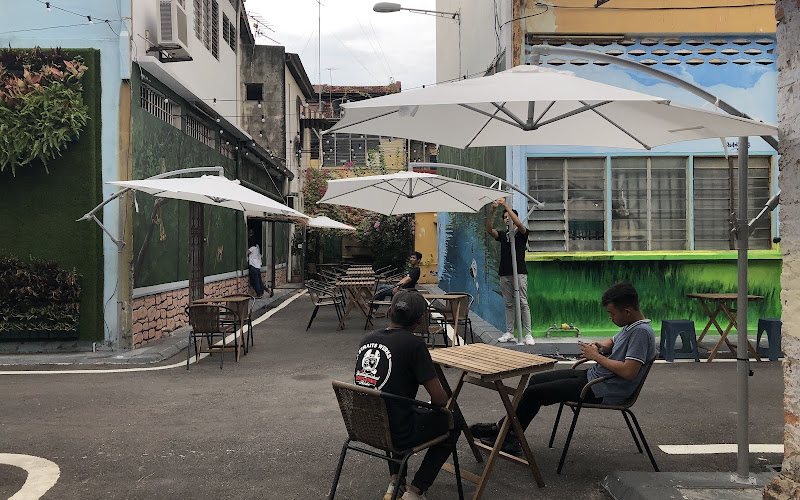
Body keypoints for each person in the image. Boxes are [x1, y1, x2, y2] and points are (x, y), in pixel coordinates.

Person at [468, 281, 656, 455]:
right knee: (535, 380)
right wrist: (602, 347)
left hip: (604, 389)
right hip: (595, 378)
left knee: (534, 393)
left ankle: (507, 434)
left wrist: (596, 357)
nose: (610, 317)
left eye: (612, 314)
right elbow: (613, 341)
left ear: (628, 311)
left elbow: (629, 372)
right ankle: (505, 430)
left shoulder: (640, 332)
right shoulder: (631, 325)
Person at [354, 289, 458, 500]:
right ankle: (415, 491)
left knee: (392, 410)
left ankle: (396, 480)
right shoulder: (415, 345)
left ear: (390, 311)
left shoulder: (368, 338)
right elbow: (439, 399)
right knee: (454, 421)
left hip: (366, 425)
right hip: (399, 432)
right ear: (420, 321)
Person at [486, 198, 534, 345]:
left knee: (523, 302)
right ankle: (509, 332)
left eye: (510, 216)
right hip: (505, 273)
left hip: (519, 272)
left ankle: (528, 334)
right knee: (508, 304)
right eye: (505, 217)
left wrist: (506, 205)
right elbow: (489, 230)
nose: (508, 219)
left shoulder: (521, 233)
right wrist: (492, 211)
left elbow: (519, 224)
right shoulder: (503, 235)